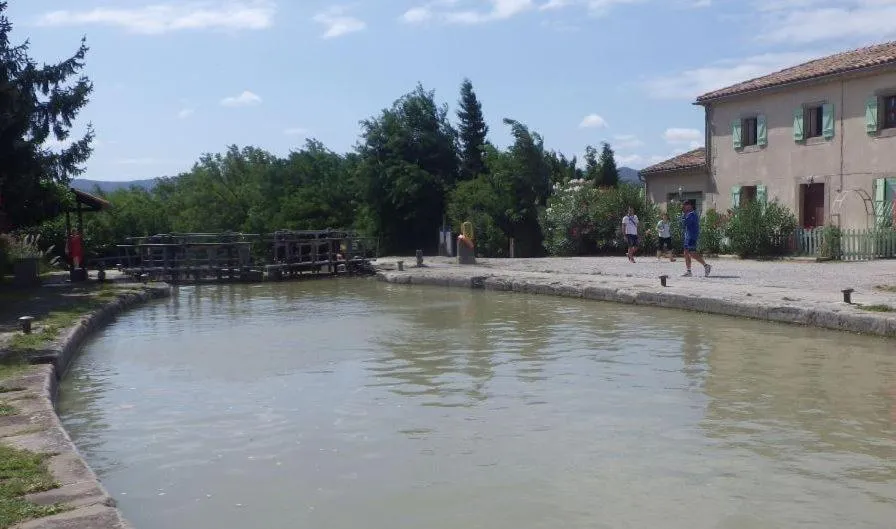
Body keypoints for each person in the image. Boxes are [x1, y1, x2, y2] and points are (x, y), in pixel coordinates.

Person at [681, 200, 711, 277]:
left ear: (690, 205)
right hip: (687, 236)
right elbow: (684, 225)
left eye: (686, 205)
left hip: (692, 236)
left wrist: (683, 216)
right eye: (684, 205)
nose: (684, 206)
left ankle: (706, 265)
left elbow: (686, 223)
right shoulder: (688, 214)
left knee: (692, 253)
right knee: (686, 253)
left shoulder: (692, 214)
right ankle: (689, 271)